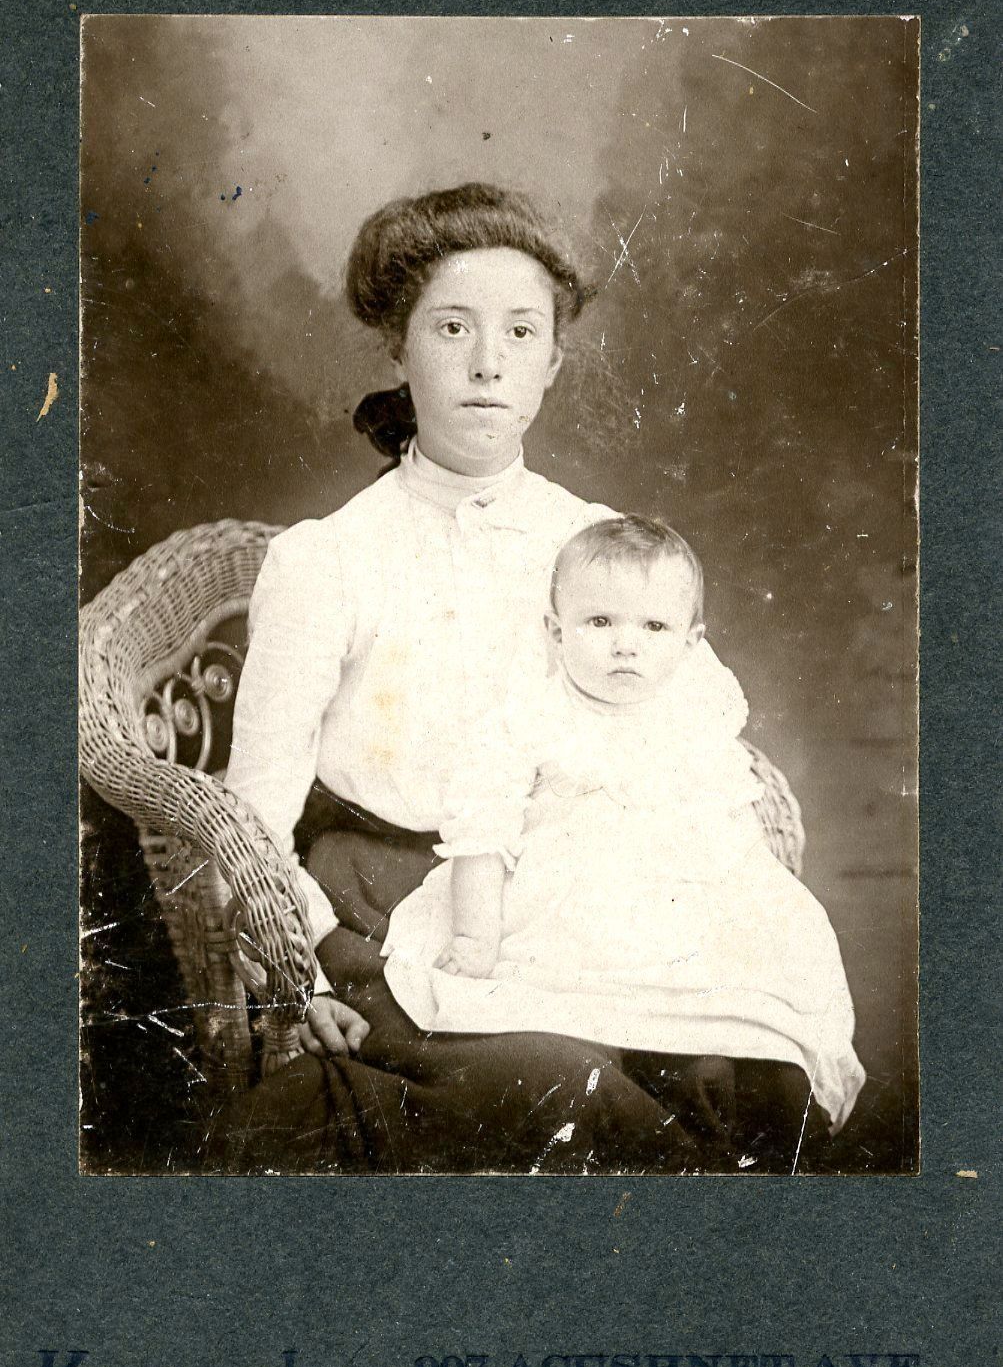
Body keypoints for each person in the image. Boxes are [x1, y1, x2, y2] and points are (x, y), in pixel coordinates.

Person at [210, 183, 820, 1174]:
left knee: (749, 1074)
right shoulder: (327, 559)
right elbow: (253, 817)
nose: (488, 363)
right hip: (380, 921)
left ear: (551, 363)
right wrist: (300, 973)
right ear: (398, 350)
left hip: (580, 910)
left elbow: (694, 731)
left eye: (521, 332)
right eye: (452, 327)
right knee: (571, 1083)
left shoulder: (594, 542)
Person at [382, 516, 866, 1146]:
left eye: (654, 627)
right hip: (566, 910)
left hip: (687, 911)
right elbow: (483, 833)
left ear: (690, 643)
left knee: (753, 1021)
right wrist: (475, 938)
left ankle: (728, 1079)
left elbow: (731, 828)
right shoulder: (529, 718)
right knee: (582, 1034)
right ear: (556, 632)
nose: (625, 646)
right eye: (600, 622)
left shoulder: (693, 719)